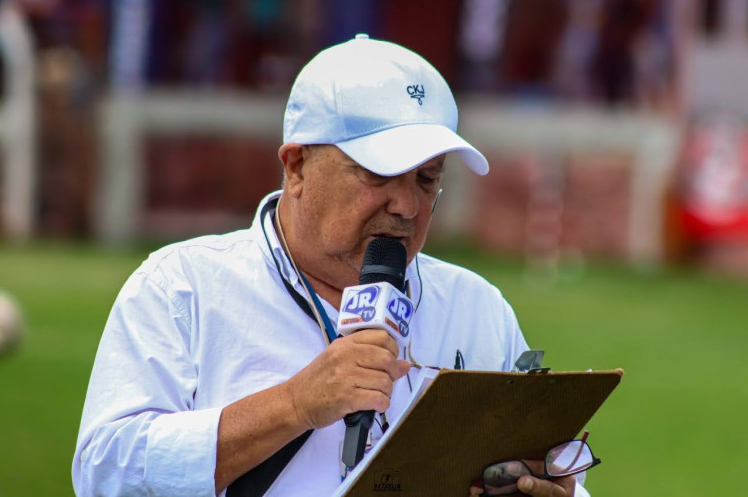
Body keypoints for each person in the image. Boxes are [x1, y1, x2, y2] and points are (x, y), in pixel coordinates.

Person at [73, 34, 589, 496]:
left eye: (427, 179)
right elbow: (103, 473)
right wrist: (295, 405)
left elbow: (558, 475)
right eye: (379, 174)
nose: (407, 206)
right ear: (297, 166)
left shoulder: (477, 308)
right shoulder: (182, 288)